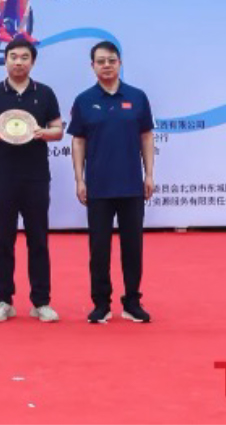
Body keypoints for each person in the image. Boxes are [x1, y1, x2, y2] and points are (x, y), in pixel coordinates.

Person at [67, 41, 155, 324]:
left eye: (111, 60)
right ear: (92, 66)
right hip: (98, 186)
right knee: (99, 249)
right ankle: (101, 304)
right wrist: (79, 179)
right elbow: (78, 141)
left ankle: (132, 302)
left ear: (120, 63)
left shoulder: (137, 97)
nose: (106, 65)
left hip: (131, 185)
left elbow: (146, 137)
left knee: (133, 247)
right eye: (101, 61)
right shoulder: (84, 100)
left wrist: (149, 174)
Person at [0, 38, 63, 323]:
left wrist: (42, 132)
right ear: (5, 60)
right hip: (4, 175)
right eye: (13, 56)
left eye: (24, 57)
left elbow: (58, 130)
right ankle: (3, 301)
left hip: (36, 176)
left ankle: (41, 302)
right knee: (4, 239)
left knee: (38, 239)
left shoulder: (45, 93)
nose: (18, 62)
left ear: (32, 62)